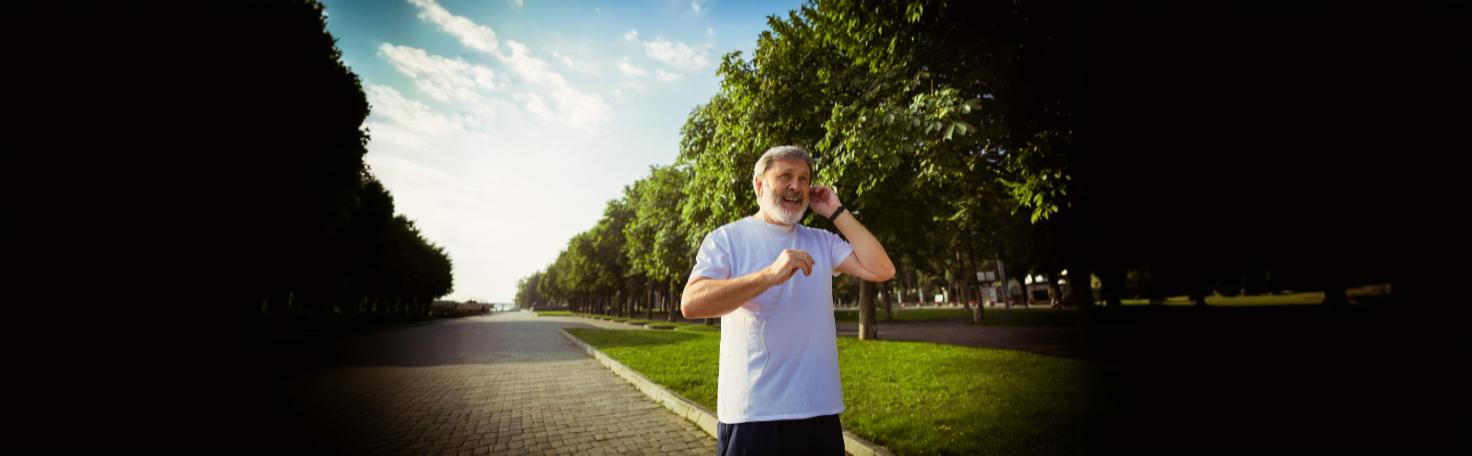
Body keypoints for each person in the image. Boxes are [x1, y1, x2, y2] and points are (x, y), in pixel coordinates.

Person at [681, 145, 895, 455]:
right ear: (759, 184)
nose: (796, 186)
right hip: (753, 417)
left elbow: (882, 269)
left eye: (804, 179)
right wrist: (769, 275)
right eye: (785, 176)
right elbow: (692, 303)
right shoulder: (726, 238)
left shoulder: (822, 241)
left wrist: (836, 211)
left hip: (820, 412)